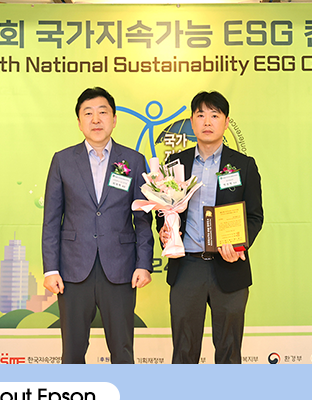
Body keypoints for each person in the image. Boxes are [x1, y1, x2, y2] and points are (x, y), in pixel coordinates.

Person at [42, 87, 154, 364]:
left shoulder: (134, 160)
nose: (96, 120)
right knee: (72, 352)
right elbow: (52, 220)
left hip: (120, 268)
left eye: (102, 112)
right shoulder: (62, 160)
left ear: (114, 119)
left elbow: (142, 218)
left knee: (123, 350)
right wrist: (51, 269)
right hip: (73, 269)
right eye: (88, 113)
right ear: (79, 122)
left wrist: (144, 264)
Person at [157, 91, 263, 364]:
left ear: (226, 122)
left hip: (229, 267)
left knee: (229, 352)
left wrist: (238, 244)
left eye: (215, 115)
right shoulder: (175, 164)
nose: (207, 121)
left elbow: (254, 216)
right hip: (187, 267)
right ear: (192, 122)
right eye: (201, 115)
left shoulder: (243, 165)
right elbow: (162, 209)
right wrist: (164, 231)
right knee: (184, 351)